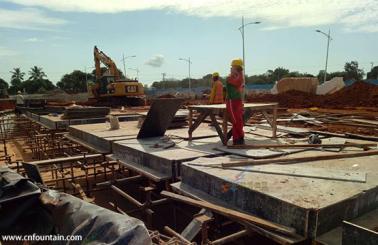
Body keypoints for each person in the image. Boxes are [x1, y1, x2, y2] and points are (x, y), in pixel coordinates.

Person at [226, 59, 245, 145]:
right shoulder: (231, 77)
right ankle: (238, 138)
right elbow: (236, 83)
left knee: (239, 120)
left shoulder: (238, 77)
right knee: (235, 120)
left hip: (236, 101)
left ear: (236, 68)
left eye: (232, 67)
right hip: (231, 101)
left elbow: (238, 83)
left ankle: (238, 138)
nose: (230, 68)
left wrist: (238, 74)